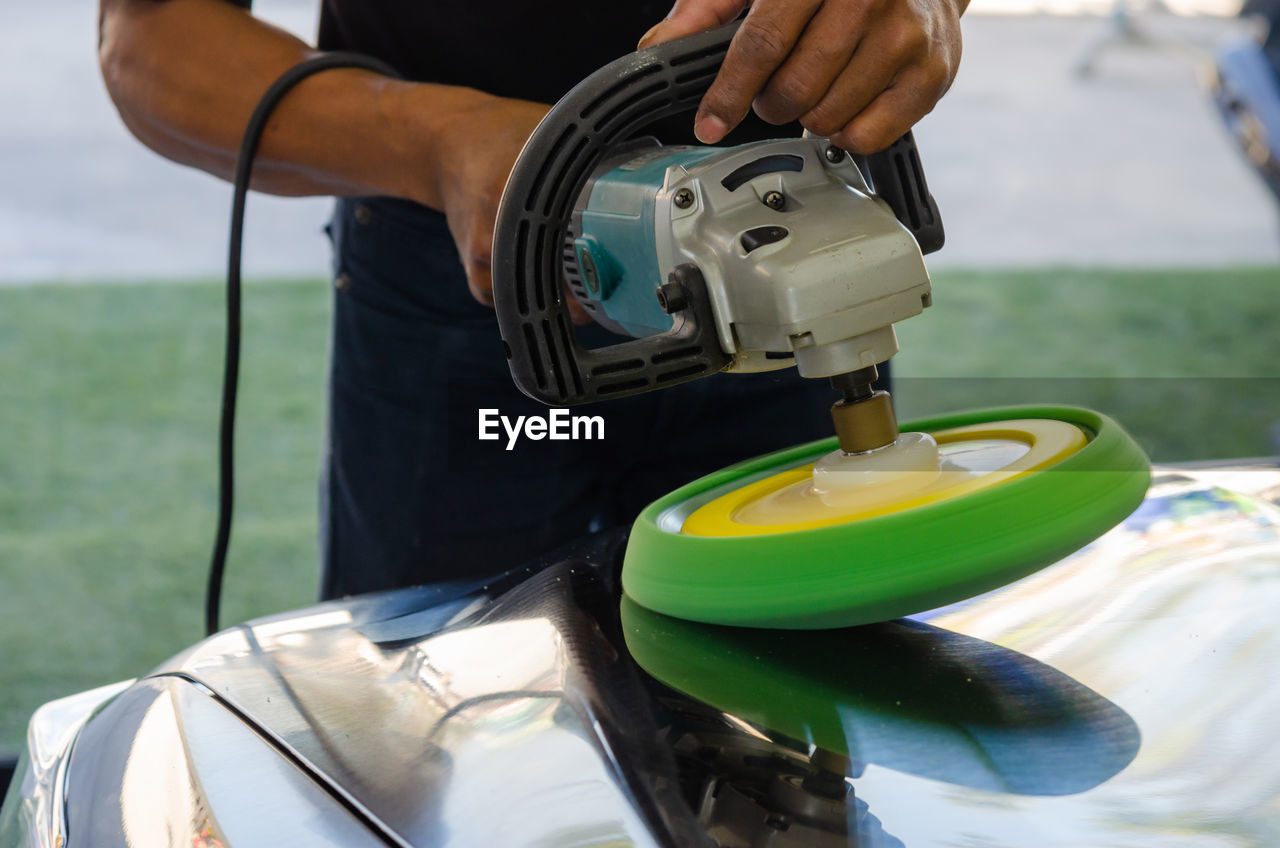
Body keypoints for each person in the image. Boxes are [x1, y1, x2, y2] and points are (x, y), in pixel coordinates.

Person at [97, 0, 967, 599]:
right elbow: (152, 38)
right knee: (439, 722)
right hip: (462, 283)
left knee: (805, 715)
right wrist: (437, 141)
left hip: (797, 250)